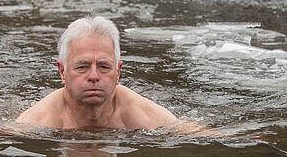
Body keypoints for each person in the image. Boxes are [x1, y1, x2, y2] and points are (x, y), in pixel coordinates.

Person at [16, 16, 180, 130]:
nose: (94, 76)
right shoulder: (37, 121)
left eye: (103, 66)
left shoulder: (142, 116)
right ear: (62, 71)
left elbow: (193, 133)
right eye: (82, 67)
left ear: (118, 71)